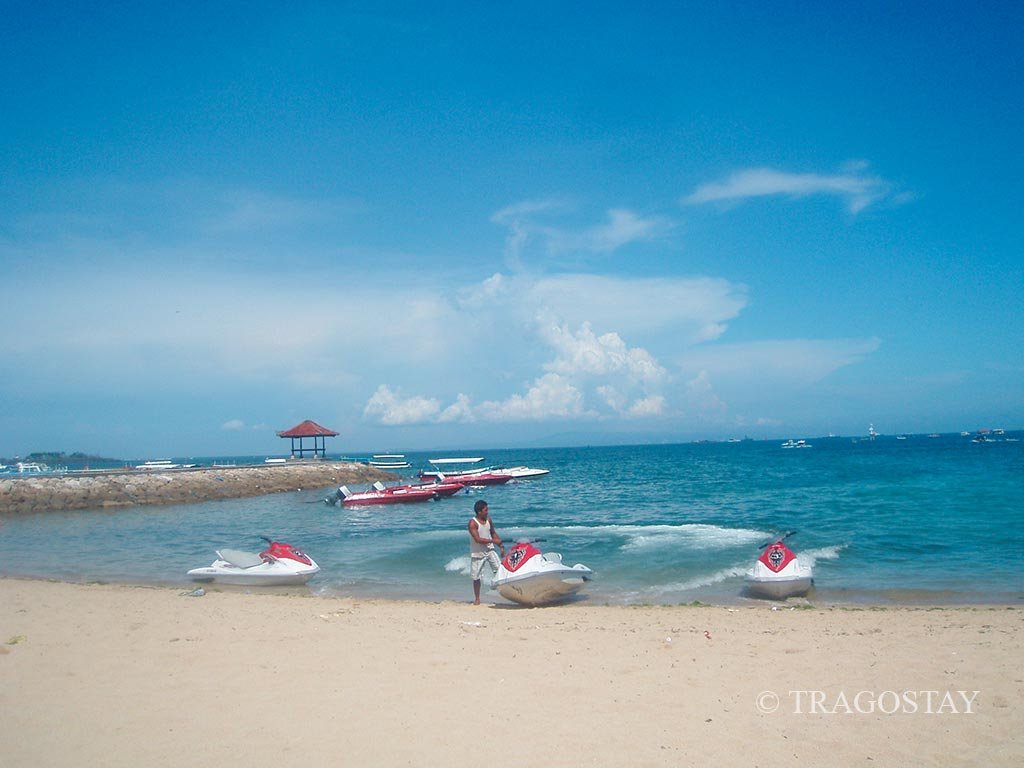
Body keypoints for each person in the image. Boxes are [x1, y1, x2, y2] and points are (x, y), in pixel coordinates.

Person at [468, 499, 504, 605]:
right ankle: (477, 598)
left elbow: (493, 533)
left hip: (490, 550)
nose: (487, 512)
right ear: (479, 512)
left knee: (500, 570)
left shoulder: (489, 520)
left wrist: (501, 546)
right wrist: (494, 541)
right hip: (478, 552)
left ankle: (502, 592)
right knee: (476, 577)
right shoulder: (473, 523)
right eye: (485, 510)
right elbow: (478, 539)